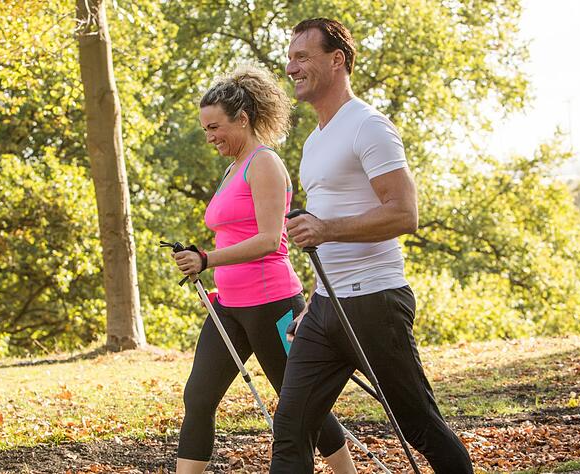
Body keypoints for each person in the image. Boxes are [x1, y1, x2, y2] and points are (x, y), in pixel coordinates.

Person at [270, 18, 474, 473]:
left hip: (375, 302)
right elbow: (324, 221)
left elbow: (405, 213)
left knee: (418, 424)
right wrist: (314, 298)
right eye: (290, 57)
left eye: (302, 57)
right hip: (326, 308)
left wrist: (325, 230)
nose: (291, 67)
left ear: (336, 59)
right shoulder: (314, 140)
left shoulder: (369, 126)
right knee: (291, 425)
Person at [170, 65, 357, 474]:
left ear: (243, 118)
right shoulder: (232, 168)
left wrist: (207, 259)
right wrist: (199, 259)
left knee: (300, 402)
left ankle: (347, 471)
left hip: (273, 304)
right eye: (205, 130)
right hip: (230, 306)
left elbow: (272, 239)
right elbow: (233, 231)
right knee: (198, 397)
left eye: (216, 127)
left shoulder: (264, 163)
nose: (210, 137)